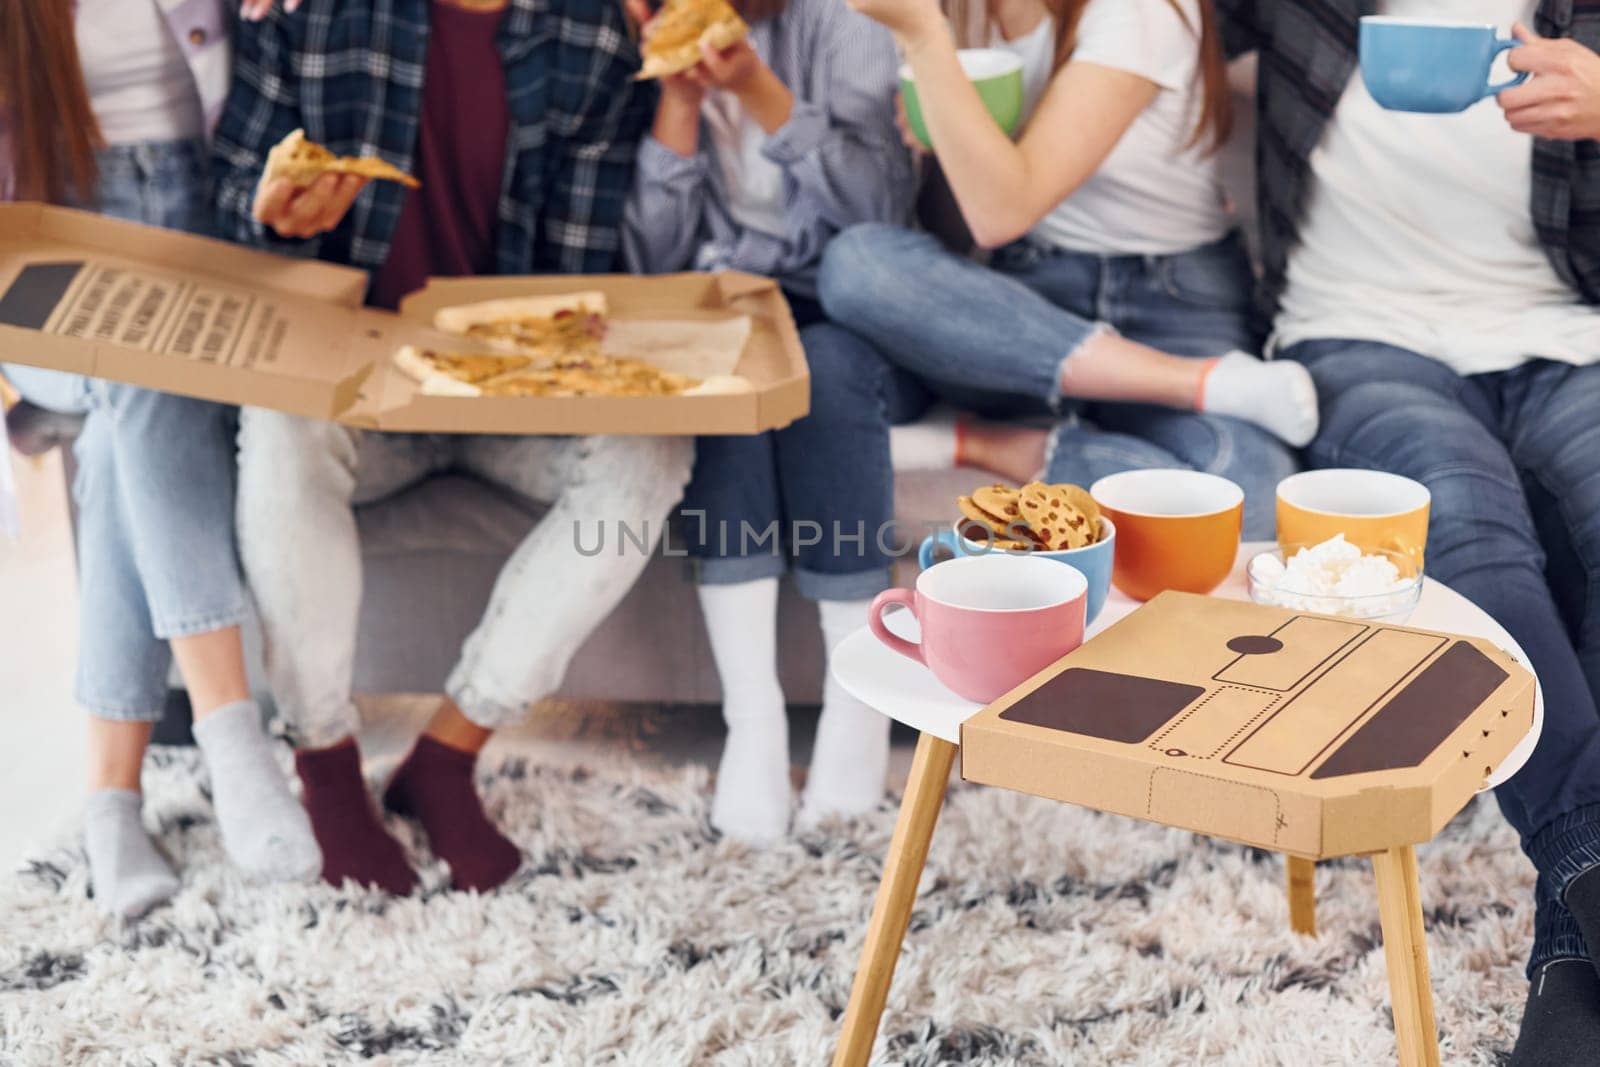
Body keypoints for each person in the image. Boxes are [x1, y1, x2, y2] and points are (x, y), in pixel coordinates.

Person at [213, 0, 693, 895]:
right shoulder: (309, 13)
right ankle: (324, 764)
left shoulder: (588, 37)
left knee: (652, 451)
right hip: (352, 395)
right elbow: (232, 200)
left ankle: (447, 754)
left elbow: (578, 265)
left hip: (505, 396)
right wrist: (273, 222)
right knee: (277, 414)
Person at [1214, 0, 1600, 1061]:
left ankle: (1573, 951)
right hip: (1357, 332)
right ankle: (1583, 859)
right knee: (1458, 522)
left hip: (1565, 328)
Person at [0, 0, 320, 919]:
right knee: (133, 364)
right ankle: (232, 735)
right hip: (42, 254)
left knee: (127, 413)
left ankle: (111, 806)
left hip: (199, 227)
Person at [816, 0, 1306, 538]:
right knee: (857, 262)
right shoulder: (964, 10)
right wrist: (947, 133)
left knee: (1243, 495)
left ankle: (1009, 437)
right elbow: (966, 224)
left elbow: (1001, 211)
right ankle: (1186, 388)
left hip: (1169, 305)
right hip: (1030, 305)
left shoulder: (1138, 11)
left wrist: (925, 38)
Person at [621, 0, 915, 841]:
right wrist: (678, 106)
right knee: (726, 386)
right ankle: (752, 718)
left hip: (847, 307)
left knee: (820, 373)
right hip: (726, 305)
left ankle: (858, 702)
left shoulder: (841, 23)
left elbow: (880, 215)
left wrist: (757, 87)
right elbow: (651, 264)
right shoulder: (643, 37)